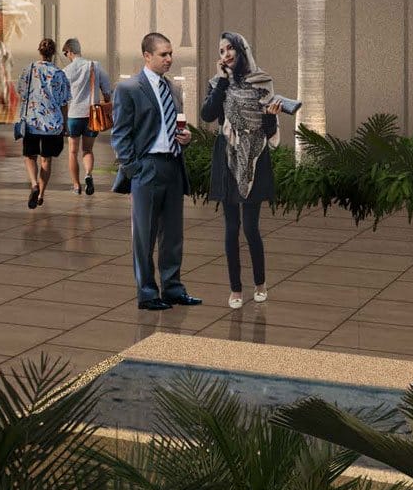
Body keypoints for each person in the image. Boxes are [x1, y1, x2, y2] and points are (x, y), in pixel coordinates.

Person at [112, 30, 200, 311]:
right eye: (164, 54)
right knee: (145, 235)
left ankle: (173, 288)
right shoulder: (129, 89)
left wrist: (185, 140)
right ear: (147, 56)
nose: (169, 59)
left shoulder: (173, 88)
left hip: (173, 166)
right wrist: (133, 167)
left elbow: (175, 126)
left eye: (171, 53)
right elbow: (121, 134)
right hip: (146, 168)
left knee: (173, 234)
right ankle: (148, 292)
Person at [204, 31, 284, 310]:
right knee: (230, 228)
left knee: (250, 227)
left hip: (254, 158)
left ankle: (260, 283)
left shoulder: (262, 81)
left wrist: (272, 117)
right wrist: (222, 84)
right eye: (221, 50)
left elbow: (269, 129)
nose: (225, 54)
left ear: (241, 50)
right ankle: (235, 289)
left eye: (230, 49)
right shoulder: (218, 83)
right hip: (227, 158)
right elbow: (207, 115)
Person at [16, 36, 71, 207]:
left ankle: (33, 184)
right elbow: (64, 102)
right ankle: (41, 194)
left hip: (32, 122)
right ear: (53, 53)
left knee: (29, 156)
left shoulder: (28, 70)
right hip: (52, 124)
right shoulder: (59, 74)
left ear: (39, 51)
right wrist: (65, 124)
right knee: (46, 160)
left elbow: (22, 93)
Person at [61, 36, 105, 196]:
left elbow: (62, 96)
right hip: (91, 115)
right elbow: (106, 89)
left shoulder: (66, 71)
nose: (66, 56)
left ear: (70, 51)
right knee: (87, 150)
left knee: (73, 152)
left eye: (65, 53)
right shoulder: (95, 66)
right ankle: (88, 174)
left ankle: (76, 185)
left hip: (73, 115)